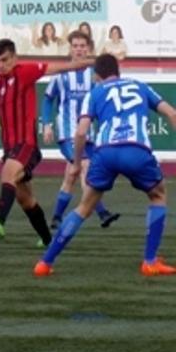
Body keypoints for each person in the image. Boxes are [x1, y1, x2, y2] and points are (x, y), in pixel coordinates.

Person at [34, 55, 176, 277]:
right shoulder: (139, 86)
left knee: (84, 206)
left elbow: (81, 132)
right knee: (158, 195)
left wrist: (77, 163)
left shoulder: (95, 92)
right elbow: (171, 113)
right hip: (135, 149)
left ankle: (45, 263)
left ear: (96, 75)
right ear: (117, 70)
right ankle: (149, 261)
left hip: (104, 153)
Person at [0, 38, 94, 247]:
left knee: (8, 174)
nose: (0, 65)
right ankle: (48, 239)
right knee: (25, 199)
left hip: (26, 145)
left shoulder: (25, 72)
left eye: (4, 60)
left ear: (14, 57)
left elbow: (64, 66)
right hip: (10, 147)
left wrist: (96, 62)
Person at [42, 31, 120, 230]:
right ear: (70, 48)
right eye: (75, 46)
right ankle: (102, 212)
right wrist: (47, 124)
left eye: (82, 46)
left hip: (90, 134)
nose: (79, 49)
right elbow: (48, 98)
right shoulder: (62, 74)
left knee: (71, 175)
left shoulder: (94, 75)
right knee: (85, 166)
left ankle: (57, 218)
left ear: (88, 48)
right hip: (68, 133)